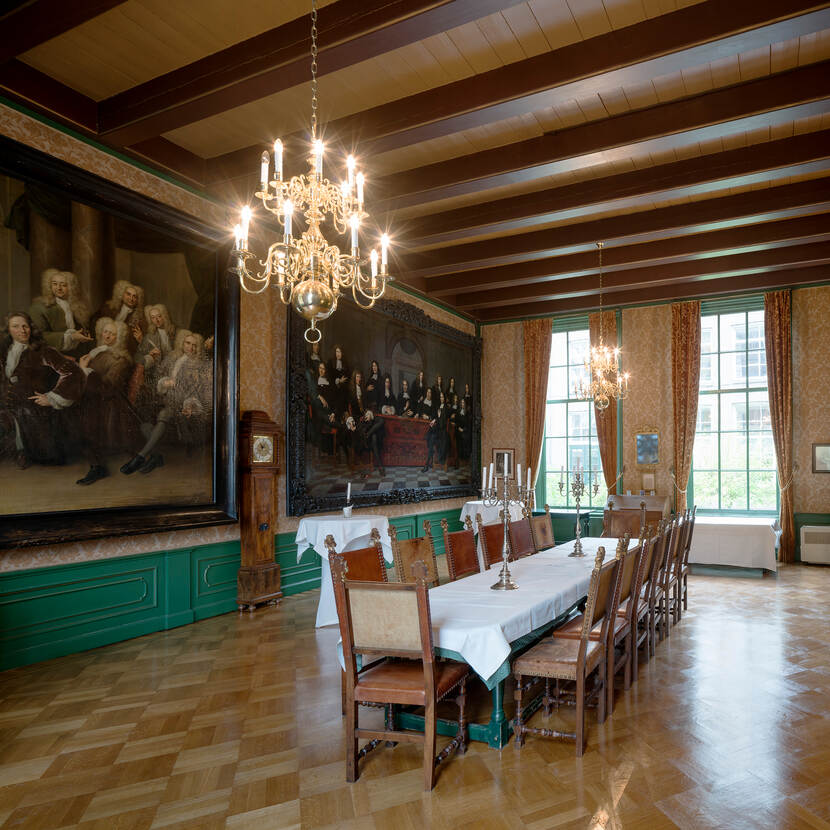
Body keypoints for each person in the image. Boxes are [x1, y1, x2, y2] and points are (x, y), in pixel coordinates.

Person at [119, 330, 212, 475]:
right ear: (182, 343)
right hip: (163, 400)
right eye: (188, 343)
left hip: (181, 406)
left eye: (194, 345)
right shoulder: (172, 359)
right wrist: (164, 383)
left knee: (165, 413)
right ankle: (157, 456)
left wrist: (189, 406)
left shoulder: (199, 366)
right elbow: (158, 377)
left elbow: (198, 393)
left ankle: (140, 456)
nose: (191, 348)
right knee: (145, 425)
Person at [0, 312, 84, 468]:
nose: (22, 330)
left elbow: (74, 372)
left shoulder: (43, 352)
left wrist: (52, 398)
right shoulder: (4, 352)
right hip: (7, 406)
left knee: (22, 414)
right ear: (8, 331)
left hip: (33, 410)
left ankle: (23, 452)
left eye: (25, 326)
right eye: (16, 326)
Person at [75, 318, 142, 485]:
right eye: (106, 331)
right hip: (92, 395)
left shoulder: (121, 359)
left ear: (118, 338)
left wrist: (84, 370)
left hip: (110, 402)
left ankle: (97, 467)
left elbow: (108, 386)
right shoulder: (97, 351)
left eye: (113, 334)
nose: (108, 335)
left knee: (86, 417)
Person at [28, 268, 93, 356]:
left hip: (76, 353)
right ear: (49, 286)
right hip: (52, 355)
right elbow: (38, 337)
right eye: (55, 284)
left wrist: (84, 334)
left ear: (71, 288)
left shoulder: (76, 306)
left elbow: (81, 329)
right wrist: (72, 337)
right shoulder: (39, 307)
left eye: (63, 285)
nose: (59, 288)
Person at [93, 281, 145, 355]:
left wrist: (140, 338)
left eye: (134, 296)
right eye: (128, 294)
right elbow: (94, 322)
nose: (131, 298)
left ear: (138, 300)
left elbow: (136, 341)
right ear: (122, 294)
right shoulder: (108, 308)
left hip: (122, 351)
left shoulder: (139, 318)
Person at [327, 344, 350, 415]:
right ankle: (335, 413)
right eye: (337, 352)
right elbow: (329, 377)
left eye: (339, 352)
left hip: (343, 388)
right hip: (333, 387)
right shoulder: (330, 362)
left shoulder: (345, 363)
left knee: (344, 392)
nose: (338, 354)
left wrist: (342, 381)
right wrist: (338, 381)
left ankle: (342, 414)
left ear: (342, 353)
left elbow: (347, 377)